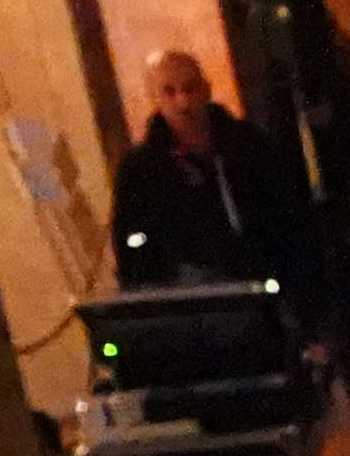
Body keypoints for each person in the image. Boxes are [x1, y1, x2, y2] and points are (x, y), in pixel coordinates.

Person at [111, 47, 305, 285]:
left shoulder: (247, 145)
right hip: (188, 300)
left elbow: (287, 214)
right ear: (155, 99)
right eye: (169, 92)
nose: (183, 102)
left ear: (206, 90)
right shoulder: (141, 170)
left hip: (261, 284)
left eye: (190, 88)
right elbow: (131, 248)